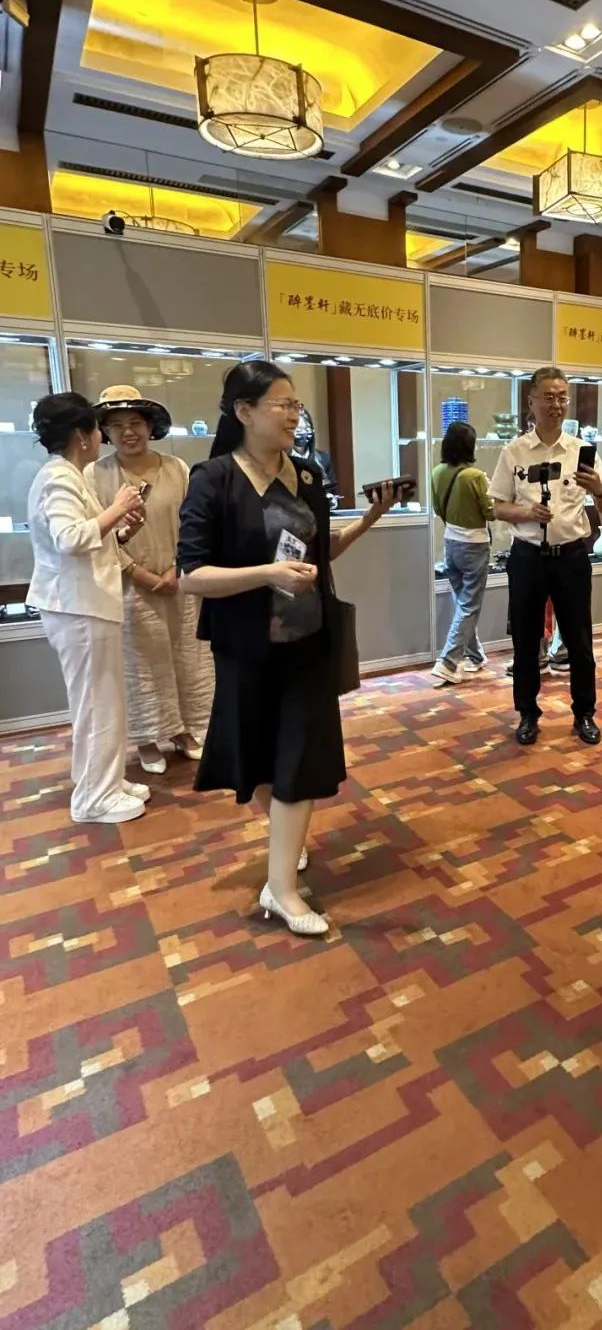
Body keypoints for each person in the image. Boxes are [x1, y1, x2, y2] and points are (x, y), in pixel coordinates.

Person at [177, 360, 393, 937]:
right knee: (259, 759)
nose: (295, 415)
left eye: (297, 405)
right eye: (283, 404)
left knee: (299, 760)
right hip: (247, 647)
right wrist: (267, 574)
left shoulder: (309, 475)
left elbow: (321, 553)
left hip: (308, 643)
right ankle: (284, 850)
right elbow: (191, 576)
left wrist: (371, 516)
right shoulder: (214, 479)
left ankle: (281, 889)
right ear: (244, 412)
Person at [26, 393, 151, 824]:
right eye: (99, 429)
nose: (103, 437)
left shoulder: (68, 475)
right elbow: (69, 539)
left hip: (86, 603)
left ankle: (103, 780)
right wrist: (118, 508)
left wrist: (121, 528)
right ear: (82, 435)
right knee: (98, 702)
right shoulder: (58, 478)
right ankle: (94, 798)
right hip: (77, 606)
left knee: (101, 699)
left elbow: (89, 537)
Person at [86, 385, 213, 776]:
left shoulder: (177, 468)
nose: (128, 431)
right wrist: (136, 572)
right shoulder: (95, 474)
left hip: (180, 581)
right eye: (117, 425)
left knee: (185, 658)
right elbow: (97, 533)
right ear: (105, 431)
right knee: (141, 665)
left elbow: (195, 523)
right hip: (127, 586)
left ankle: (185, 732)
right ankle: (146, 739)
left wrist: (177, 567)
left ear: (150, 426)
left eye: (136, 422)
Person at [489, 368, 602, 746]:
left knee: (579, 638)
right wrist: (527, 512)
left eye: (562, 397)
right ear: (532, 402)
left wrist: (599, 490)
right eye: (549, 397)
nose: (557, 404)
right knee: (526, 640)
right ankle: (527, 713)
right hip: (527, 557)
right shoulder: (514, 452)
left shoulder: (581, 450)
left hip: (572, 556)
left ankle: (584, 713)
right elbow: (496, 507)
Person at [431, 420, 494, 684]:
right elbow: (491, 511)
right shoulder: (475, 476)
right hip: (474, 545)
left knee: (462, 602)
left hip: (450, 542)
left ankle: (475, 655)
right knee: (469, 605)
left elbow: (438, 508)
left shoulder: (437, 472)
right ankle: (448, 661)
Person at [292, 407, 337, 502]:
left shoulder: (323, 459)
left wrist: (332, 499)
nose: (303, 432)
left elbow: (332, 489)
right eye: (298, 429)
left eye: (306, 428)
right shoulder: (278, 460)